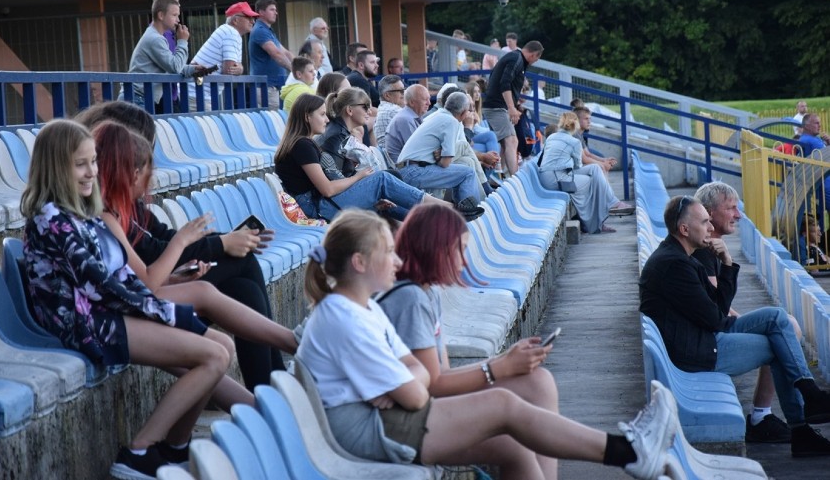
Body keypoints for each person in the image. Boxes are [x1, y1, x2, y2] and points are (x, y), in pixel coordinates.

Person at [296, 209, 679, 479]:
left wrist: (407, 379)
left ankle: (631, 449)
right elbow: (418, 393)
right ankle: (629, 450)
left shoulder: (364, 308)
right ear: (360, 263)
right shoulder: (352, 313)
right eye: (387, 252)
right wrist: (487, 369)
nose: (396, 260)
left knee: (517, 431)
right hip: (369, 430)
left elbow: (419, 378)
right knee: (503, 405)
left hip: (384, 419)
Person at [21, 119, 233, 478]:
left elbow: (117, 278)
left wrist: (170, 295)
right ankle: (138, 452)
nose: (92, 173)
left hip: (103, 311)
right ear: (57, 166)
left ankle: (174, 448)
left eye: (94, 162)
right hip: (85, 324)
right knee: (212, 355)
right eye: (81, 164)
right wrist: (168, 313)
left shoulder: (79, 214)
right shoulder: (53, 221)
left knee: (221, 343)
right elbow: (102, 289)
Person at [77, 101, 290, 390]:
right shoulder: (102, 212)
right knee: (240, 268)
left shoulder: (123, 204)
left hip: (146, 287)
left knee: (244, 288)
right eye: (144, 154)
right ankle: (280, 370)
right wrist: (221, 244)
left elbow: (160, 238)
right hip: (129, 301)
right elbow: (152, 258)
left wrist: (229, 240)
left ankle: (268, 389)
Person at [379, 203, 564, 478]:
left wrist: (505, 359)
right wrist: (499, 368)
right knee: (517, 444)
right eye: (460, 250)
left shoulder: (426, 293)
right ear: (434, 248)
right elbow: (435, 386)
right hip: (404, 419)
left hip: (423, 405)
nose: (465, 261)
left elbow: (443, 374)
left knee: (538, 380)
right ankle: (621, 448)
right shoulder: (411, 299)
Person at [639, 195, 830, 457]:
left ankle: (808, 395)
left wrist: (727, 263)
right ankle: (802, 425)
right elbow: (716, 318)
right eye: (704, 222)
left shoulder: (682, 256)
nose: (709, 227)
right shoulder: (675, 265)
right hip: (698, 352)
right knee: (778, 344)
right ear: (684, 229)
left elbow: (715, 308)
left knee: (777, 318)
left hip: (700, 337)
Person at [694, 181, 800, 443]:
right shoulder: (704, 251)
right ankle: (768, 417)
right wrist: (728, 264)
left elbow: (715, 304)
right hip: (709, 343)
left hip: (711, 330)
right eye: (731, 209)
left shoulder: (709, 246)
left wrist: (743, 319)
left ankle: (768, 415)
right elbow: (715, 307)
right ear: (708, 211)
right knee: (782, 337)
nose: (738, 215)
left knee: (786, 324)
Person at [273, 93, 442, 222]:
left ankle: (430, 221)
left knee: (385, 201)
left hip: (319, 204)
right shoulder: (302, 145)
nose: (326, 119)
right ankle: (440, 210)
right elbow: (327, 189)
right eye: (322, 114)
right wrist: (359, 177)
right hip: (316, 209)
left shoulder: (303, 143)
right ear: (307, 117)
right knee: (382, 179)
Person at [396, 92, 486, 219]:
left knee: (463, 166)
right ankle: (472, 218)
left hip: (407, 169)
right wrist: (441, 157)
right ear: (464, 112)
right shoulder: (451, 121)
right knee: (468, 173)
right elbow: (445, 164)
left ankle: (464, 213)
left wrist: (443, 155)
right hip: (414, 172)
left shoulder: (438, 116)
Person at [537, 112, 620, 234]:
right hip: (556, 179)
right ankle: (593, 222)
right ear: (575, 125)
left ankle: (610, 202)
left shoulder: (551, 137)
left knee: (595, 169)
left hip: (547, 177)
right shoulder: (574, 141)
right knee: (592, 181)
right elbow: (577, 165)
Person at [125, 0, 203, 110]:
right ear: (161, 15)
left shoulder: (156, 36)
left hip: (139, 97)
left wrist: (192, 69)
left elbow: (168, 64)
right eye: (174, 15)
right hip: (137, 99)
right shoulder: (155, 39)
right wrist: (182, 41)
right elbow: (174, 67)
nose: (178, 20)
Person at [482, 40, 544, 177]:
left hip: (498, 106)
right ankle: (515, 179)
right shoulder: (516, 59)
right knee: (512, 140)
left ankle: (500, 176)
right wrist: (511, 107)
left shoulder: (516, 59)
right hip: (496, 107)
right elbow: (505, 83)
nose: (534, 62)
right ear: (534, 55)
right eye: (536, 59)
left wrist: (515, 106)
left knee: (506, 143)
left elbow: (494, 76)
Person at [188, 1, 258, 111]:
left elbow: (233, 68)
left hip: (197, 92)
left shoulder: (227, 31)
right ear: (235, 20)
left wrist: (240, 68)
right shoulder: (231, 33)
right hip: (197, 95)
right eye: (248, 17)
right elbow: (229, 70)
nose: (253, 21)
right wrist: (239, 69)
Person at [250, 0, 293, 106]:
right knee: (275, 120)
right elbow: (276, 54)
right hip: (266, 88)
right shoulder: (260, 30)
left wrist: (301, 66)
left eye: (276, 10)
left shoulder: (267, 31)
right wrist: (294, 70)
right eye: (272, 10)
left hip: (273, 86)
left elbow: (285, 52)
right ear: (261, 12)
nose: (276, 13)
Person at [385, 84, 431, 163]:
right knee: (459, 171)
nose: (429, 103)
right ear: (412, 103)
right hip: (407, 170)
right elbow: (419, 153)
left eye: (429, 99)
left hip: (413, 166)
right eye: (425, 99)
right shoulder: (405, 119)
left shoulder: (411, 117)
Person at [375, 75, 407, 150]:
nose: (404, 94)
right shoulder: (393, 111)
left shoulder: (384, 108)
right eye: (401, 91)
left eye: (404, 90)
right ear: (387, 95)